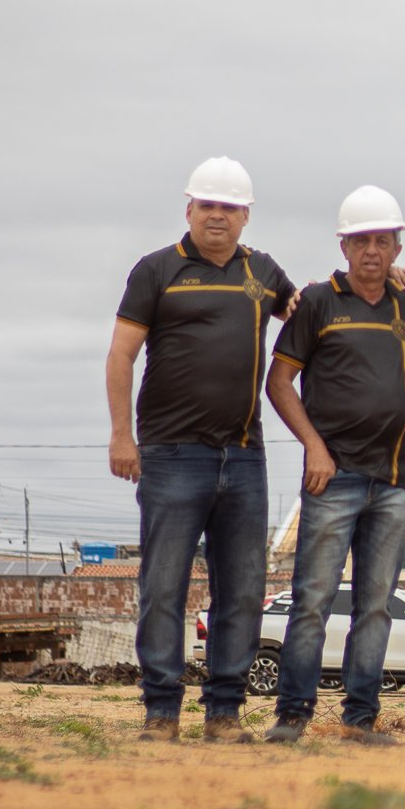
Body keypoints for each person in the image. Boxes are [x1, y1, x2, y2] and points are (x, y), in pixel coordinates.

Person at [106, 157, 295, 743]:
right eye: (208, 205)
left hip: (244, 456)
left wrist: (383, 284)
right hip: (170, 456)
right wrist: (122, 435)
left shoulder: (264, 272)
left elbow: (312, 312)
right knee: (163, 587)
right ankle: (161, 712)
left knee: (241, 591)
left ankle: (224, 714)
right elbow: (121, 354)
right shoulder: (156, 270)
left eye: (230, 207)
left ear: (246, 216)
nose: (218, 215)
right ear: (188, 209)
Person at [263, 187, 405, 747]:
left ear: (397, 247)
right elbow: (279, 383)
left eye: (382, 241)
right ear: (343, 245)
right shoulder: (318, 302)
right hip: (333, 477)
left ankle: (359, 720)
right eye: (361, 240)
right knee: (312, 601)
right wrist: (314, 447)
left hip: (393, 480)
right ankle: (292, 715)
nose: (372, 250)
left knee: (375, 608)